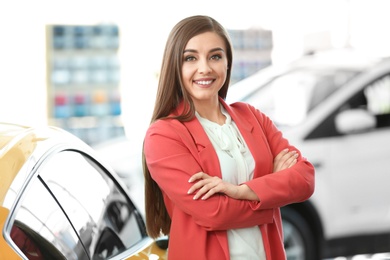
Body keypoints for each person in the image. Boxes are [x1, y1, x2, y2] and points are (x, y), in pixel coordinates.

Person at [142, 15, 315, 260]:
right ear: (175, 66)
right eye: (191, 58)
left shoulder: (251, 116)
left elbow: (305, 178)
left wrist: (240, 191)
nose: (205, 68)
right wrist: (271, 195)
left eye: (215, 56)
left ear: (227, 63)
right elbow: (213, 213)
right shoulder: (163, 135)